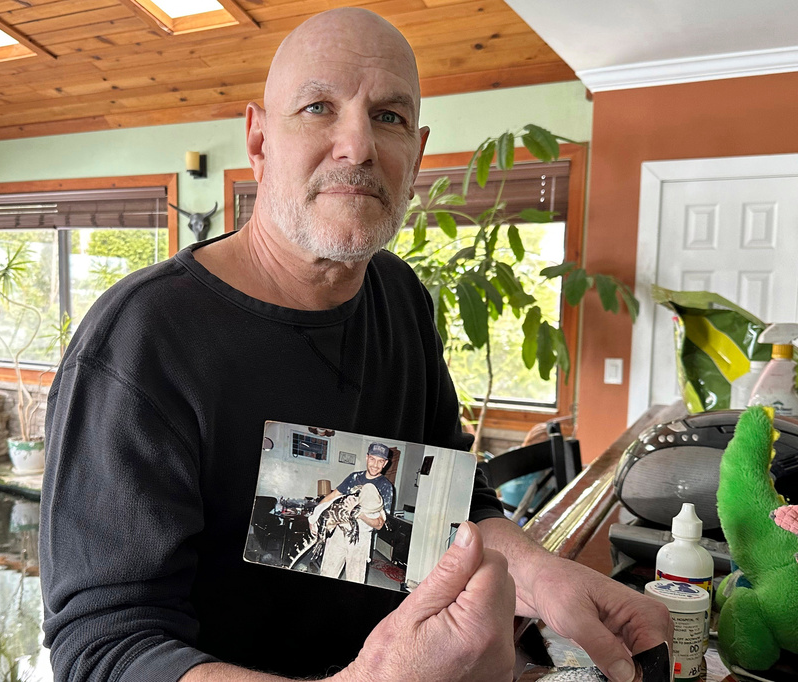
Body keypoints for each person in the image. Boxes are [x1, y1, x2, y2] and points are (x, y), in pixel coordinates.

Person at [40, 7, 673, 682]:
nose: (358, 146)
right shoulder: (142, 341)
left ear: (418, 154)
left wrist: (542, 576)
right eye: (318, 108)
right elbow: (102, 650)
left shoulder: (400, 298)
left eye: (389, 117)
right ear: (258, 142)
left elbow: (448, 501)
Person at [312, 442, 394, 583]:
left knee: (355, 580)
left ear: (385, 463)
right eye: (373, 459)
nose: (375, 465)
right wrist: (314, 517)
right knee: (327, 572)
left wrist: (360, 514)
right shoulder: (354, 477)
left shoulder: (386, 486)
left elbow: (380, 524)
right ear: (367, 458)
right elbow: (331, 497)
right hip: (338, 532)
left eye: (380, 461)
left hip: (360, 538)